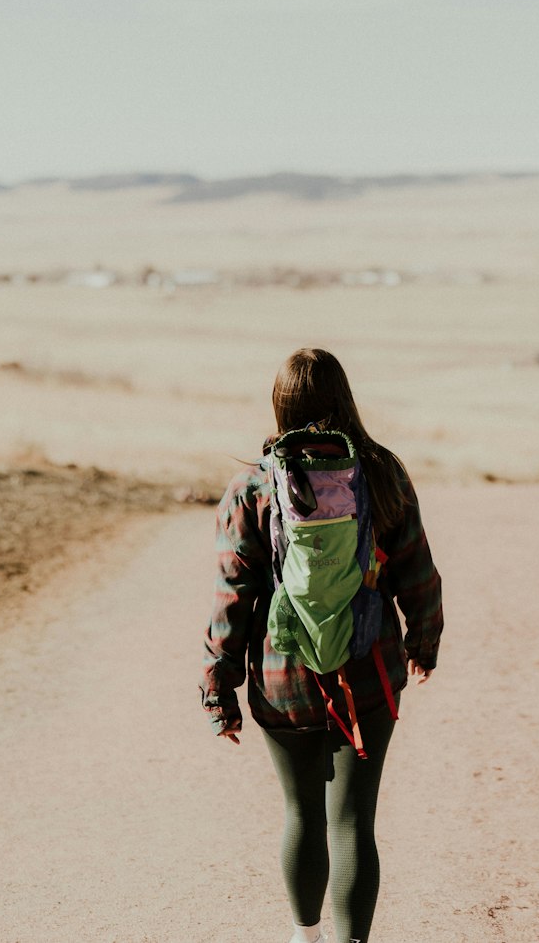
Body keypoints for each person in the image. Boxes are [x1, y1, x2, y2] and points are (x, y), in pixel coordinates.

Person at [200, 347, 443, 943]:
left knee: (302, 815)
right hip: (369, 672)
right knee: (353, 823)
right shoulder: (383, 472)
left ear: (280, 403)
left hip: (282, 680)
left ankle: (304, 939)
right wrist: (423, 642)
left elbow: (234, 593)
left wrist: (219, 686)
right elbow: (418, 572)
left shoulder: (253, 485)